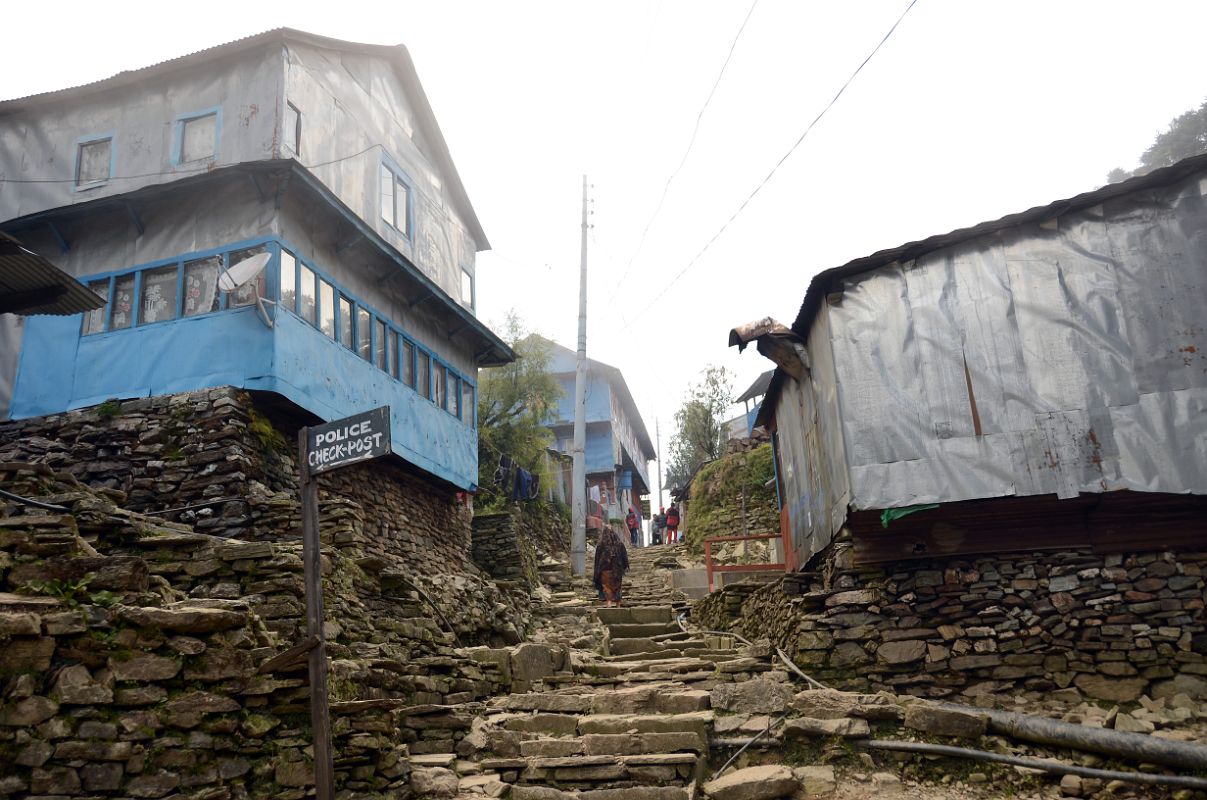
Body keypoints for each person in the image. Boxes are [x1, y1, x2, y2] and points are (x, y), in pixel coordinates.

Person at [593, 525, 630, 607]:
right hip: (617, 571)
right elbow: (625, 558)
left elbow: (597, 560)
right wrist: (623, 568)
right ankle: (618, 605)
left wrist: (597, 573)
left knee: (607, 588)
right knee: (617, 588)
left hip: (605, 571)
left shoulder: (600, 545)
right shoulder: (619, 544)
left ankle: (609, 605)